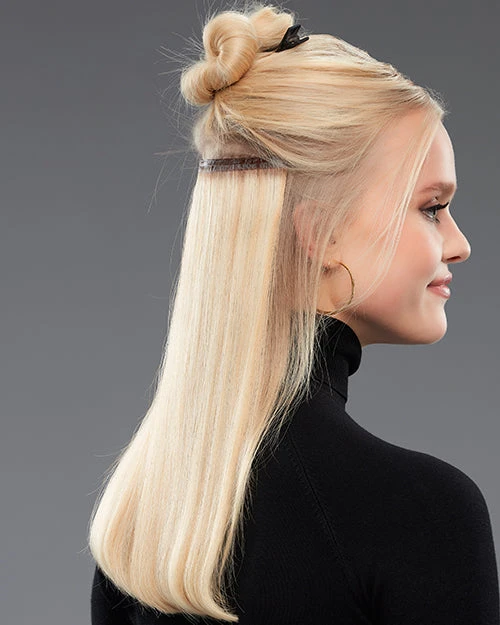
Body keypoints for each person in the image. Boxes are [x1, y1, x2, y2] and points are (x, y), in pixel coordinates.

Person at [88, 4, 499, 624]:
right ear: (322, 232)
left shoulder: (142, 522)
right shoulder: (420, 513)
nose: (459, 244)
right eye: (432, 208)